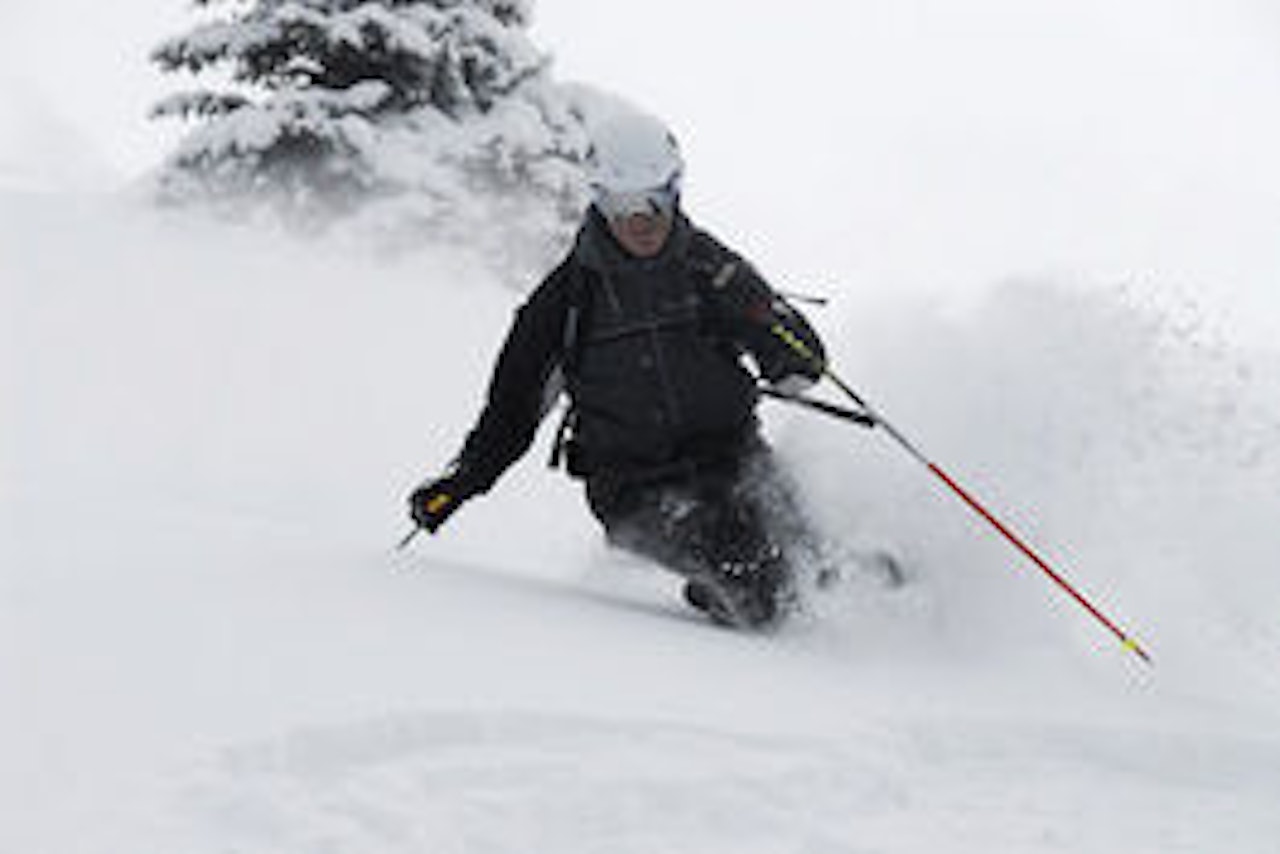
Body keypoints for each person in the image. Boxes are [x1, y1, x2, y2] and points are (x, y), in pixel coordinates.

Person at [406, 110, 828, 629]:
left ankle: (898, 637)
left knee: (825, 563)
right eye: (619, 204)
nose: (639, 220)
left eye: (653, 200)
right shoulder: (566, 301)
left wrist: (779, 337)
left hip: (736, 459)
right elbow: (512, 413)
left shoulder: (709, 269)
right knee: (762, 579)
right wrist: (463, 481)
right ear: (598, 200)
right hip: (637, 490)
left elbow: (798, 358)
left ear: (675, 191)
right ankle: (741, 619)